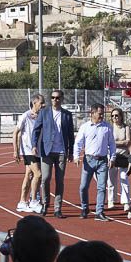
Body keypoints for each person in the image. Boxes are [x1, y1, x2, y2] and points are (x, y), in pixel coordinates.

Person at [37, 90, 76, 219]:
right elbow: (36, 130)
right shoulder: (44, 113)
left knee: (59, 181)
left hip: (61, 152)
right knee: (45, 178)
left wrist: (70, 152)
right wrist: (33, 146)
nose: (55, 100)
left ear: (62, 99)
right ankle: (45, 204)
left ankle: (57, 208)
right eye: (53, 98)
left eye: (58, 98)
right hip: (47, 151)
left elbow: (71, 135)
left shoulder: (67, 115)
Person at [73, 104, 115, 221]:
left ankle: (99, 212)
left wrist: (112, 158)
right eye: (100, 113)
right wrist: (76, 156)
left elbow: (111, 144)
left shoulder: (107, 127)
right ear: (92, 113)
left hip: (102, 161)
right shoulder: (85, 127)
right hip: (89, 160)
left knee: (101, 187)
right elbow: (78, 143)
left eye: (102, 113)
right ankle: (85, 208)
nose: (102, 116)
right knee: (83, 187)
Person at [12, 95, 45, 213]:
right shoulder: (25, 116)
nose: (43, 105)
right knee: (38, 174)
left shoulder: (41, 116)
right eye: (41, 103)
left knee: (29, 176)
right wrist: (15, 151)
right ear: (34, 103)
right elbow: (15, 133)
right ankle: (33, 201)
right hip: (28, 150)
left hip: (37, 150)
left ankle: (22, 201)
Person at [106, 108, 131, 211]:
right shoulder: (110, 127)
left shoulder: (126, 127)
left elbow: (128, 142)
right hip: (112, 156)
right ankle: (111, 200)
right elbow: (107, 142)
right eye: (112, 116)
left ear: (121, 116)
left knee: (124, 178)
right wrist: (122, 142)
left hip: (124, 157)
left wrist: (114, 143)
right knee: (111, 180)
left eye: (116, 115)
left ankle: (126, 202)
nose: (114, 118)